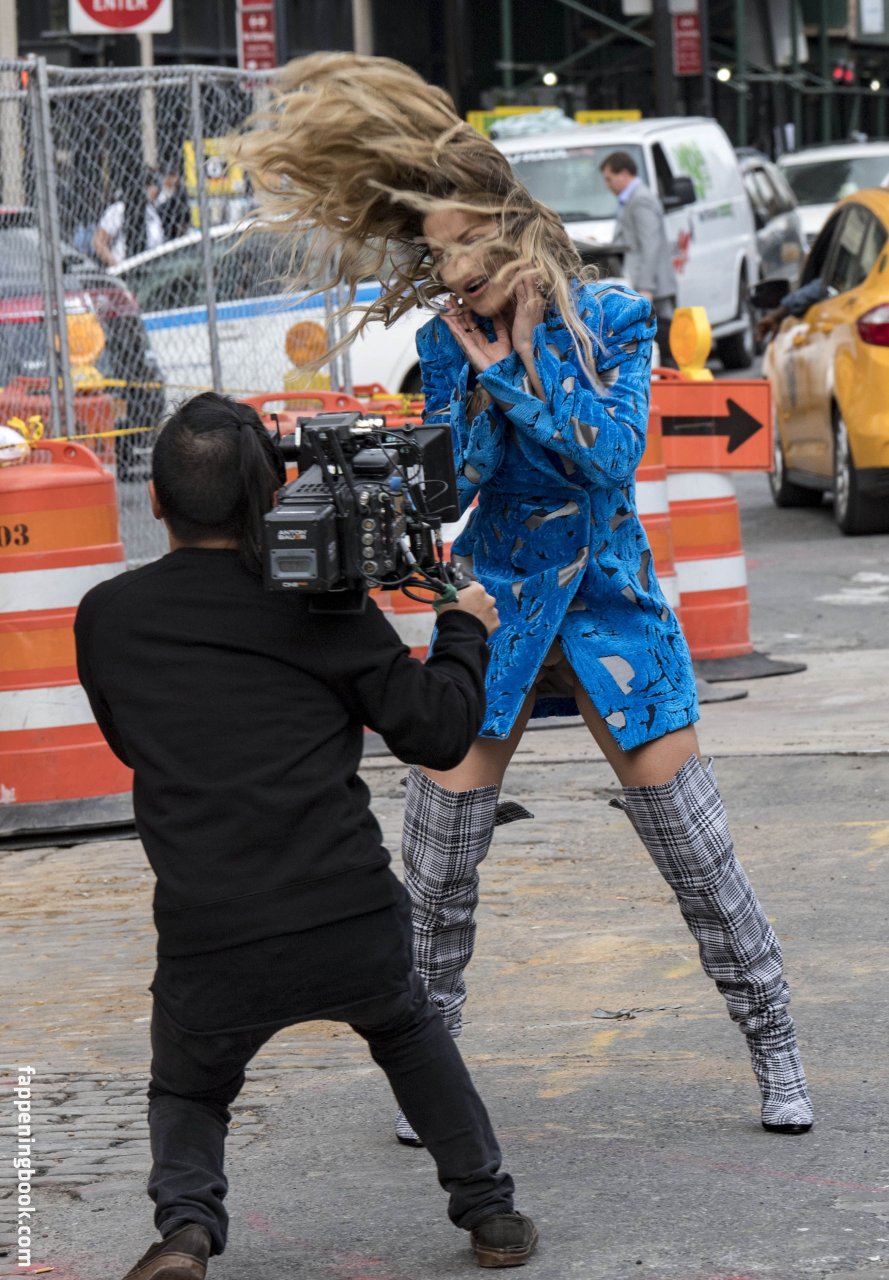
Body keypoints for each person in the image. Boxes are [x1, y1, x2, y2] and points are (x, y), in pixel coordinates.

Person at [233, 52, 813, 1151]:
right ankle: (429, 1070)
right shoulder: (442, 344)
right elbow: (461, 485)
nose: (453, 271)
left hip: (610, 612)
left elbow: (607, 459)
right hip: (492, 609)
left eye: (466, 244)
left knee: (695, 853)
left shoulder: (613, 319)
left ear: (513, 226)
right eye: (438, 251)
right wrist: (466, 382)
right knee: (438, 868)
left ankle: (775, 1043)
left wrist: (516, 367)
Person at [74, 392, 538, 1276]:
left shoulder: (108, 615)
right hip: (344, 909)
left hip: (210, 924)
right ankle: (490, 1213)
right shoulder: (321, 605)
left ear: (156, 500)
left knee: (189, 1087)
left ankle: (187, 1229)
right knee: (406, 1028)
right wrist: (461, 630)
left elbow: (132, 741)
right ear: (268, 496)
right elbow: (437, 733)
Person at [599, 150, 678, 367]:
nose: (607, 185)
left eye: (609, 179)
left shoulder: (641, 199)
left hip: (652, 288)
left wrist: (646, 286)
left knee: (664, 342)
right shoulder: (631, 199)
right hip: (647, 285)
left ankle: (671, 381)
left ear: (624, 174)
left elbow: (650, 245)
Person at [93, 169, 165, 267]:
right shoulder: (119, 209)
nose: (156, 190)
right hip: (126, 266)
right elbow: (99, 242)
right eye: (150, 185)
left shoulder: (150, 209)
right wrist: (116, 265)